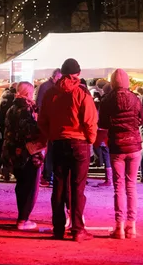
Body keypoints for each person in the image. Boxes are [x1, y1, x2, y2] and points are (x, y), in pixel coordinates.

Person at [39, 57, 98, 242]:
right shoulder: (82, 94)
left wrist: (52, 135)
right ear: (78, 74)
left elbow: (42, 121)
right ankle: (78, 230)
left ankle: (57, 228)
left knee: (58, 186)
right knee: (77, 187)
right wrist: (91, 140)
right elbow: (90, 120)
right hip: (79, 142)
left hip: (58, 142)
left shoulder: (50, 94)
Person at [98, 69, 143, 238]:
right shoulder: (135, 98)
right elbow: (141, 120)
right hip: (134, 145)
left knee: (119, 187)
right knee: (131, 186)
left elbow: (102, 123)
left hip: (117, 146)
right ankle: (131, 226)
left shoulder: (107, 100)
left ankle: (119, 227)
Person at [2, 82, 45, 231]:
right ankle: (23, 219)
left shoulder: (11, 109)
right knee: (30, 186)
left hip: (14, 153)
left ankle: (22, 216)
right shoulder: (27, 109)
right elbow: (31, 131)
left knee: (21, 185)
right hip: (28, 153)